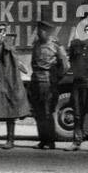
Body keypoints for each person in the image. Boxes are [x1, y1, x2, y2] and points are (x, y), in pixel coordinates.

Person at [29, 19, 69, 149]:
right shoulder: (36, 44)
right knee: (38, 112)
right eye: (38, 30)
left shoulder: (55, 45)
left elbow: (65, 65)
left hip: (48, 82)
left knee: (48, 112)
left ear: (47, 31)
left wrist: (56, 78)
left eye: (42, 30)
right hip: (35, 80)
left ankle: (50, 142)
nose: (39, 32)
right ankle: (42, 140)